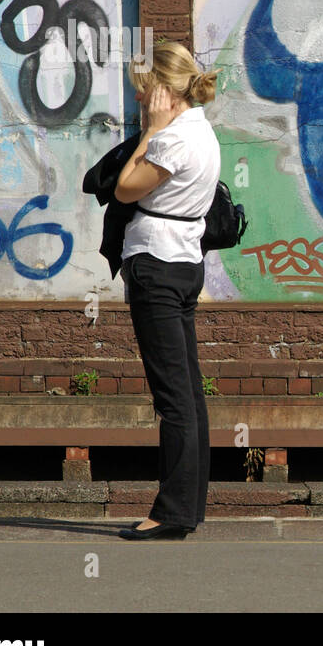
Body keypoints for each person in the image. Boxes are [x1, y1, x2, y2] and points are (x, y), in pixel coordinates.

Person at [113, 41, 221, 541]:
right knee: (189, 392)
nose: (140, 100)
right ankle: (188, 505)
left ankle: (173, 512)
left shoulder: (172, 138)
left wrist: (151, 131)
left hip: (157, 265)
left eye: (144, 91)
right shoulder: (202, 131)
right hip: (184, 263)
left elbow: (125, 187)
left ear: (164, 91)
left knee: (173, 396)